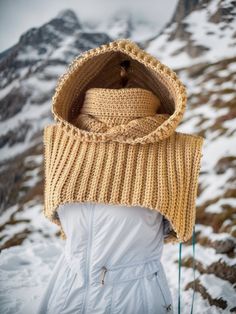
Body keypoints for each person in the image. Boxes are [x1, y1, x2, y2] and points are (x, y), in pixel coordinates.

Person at [38, 38, 204, 313]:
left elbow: (176, 231)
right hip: (65, 293)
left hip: (137, 299)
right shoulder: (60, 142)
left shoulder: (179, 153)